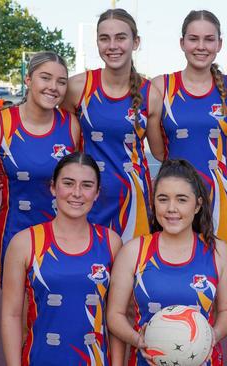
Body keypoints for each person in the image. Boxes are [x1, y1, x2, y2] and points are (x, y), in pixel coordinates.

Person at [107, 159, 227, 365]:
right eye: (163, 199)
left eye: (182, 200)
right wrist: (138, 340)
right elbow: (115, 315)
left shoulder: (217, 250)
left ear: (197, 205)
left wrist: (211, 335)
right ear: (153, 203)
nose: (171, 208)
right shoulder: (133, 250)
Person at [1, 152, 122, 365]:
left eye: (86, 185)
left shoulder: (111, 243)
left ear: (96, 193)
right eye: (68, 183)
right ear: (53, 188)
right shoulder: (24, 243)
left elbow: (117, 316)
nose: (77, 193)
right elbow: (11, 315)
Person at [63, 8, 162, 243]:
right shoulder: (77, 87)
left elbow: (161, 153)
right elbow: (60, 140)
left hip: (133, 200)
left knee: (129, 274)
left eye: (121, 37)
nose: (112, 45)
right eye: (104, 38)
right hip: (86, 198)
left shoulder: (151, 94)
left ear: (135, 42)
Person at [0, 51, 79, 282]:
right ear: (28, 80)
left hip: (62, 238)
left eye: (61, 81)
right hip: (15, 231)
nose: (53, 87)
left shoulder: (71, 125)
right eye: (45, 78)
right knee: (16, 313)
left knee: (54, 313)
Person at [147, 10, 227, 248]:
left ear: (219, 44)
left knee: (219, 264)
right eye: (193, 39)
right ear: (182, 43)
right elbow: (158, 151)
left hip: (220, 193)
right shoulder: (161, 86)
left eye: (209, 39)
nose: (201, 46)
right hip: (174, 194)